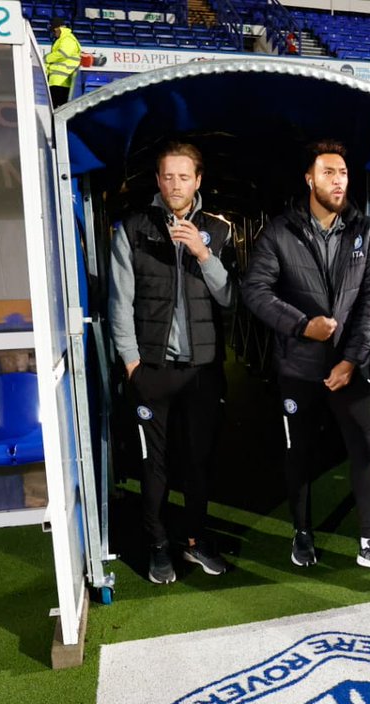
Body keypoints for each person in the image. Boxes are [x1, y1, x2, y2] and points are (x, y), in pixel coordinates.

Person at [242, 140, 370, 576]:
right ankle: (302, 532)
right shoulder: (280, 231)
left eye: (344, 173)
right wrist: (301, 325)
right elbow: (255, 292)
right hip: (298, 367)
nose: (338, 180)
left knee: (363, 451)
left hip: (350, 368)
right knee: (300, 454)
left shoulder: (365, 231)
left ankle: (369, 541)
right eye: (329, 172)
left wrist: (351, 360)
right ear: (310, 178)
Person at [109, 142, 233, 584]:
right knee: (153, 466)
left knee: (198, 463)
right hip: (152, 371)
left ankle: (195, 542)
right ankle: (159, 545)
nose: (175, 185)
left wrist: (203, 253)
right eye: (167, 176)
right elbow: (120, 302)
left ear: (198, 181)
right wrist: (132, 364)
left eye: (184, 177)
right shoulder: (134, 227)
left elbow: (229, 297)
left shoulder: (218, 231)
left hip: (201, 371)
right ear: (158, 180)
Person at [45, 17, 81, 108]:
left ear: (57, 29)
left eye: (53, 31)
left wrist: (47, 58)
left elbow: (63, 53)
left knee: (58, 109)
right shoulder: (63, 39)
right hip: (57, 81)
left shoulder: (68, 39)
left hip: (61, 82)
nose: (53, 34)